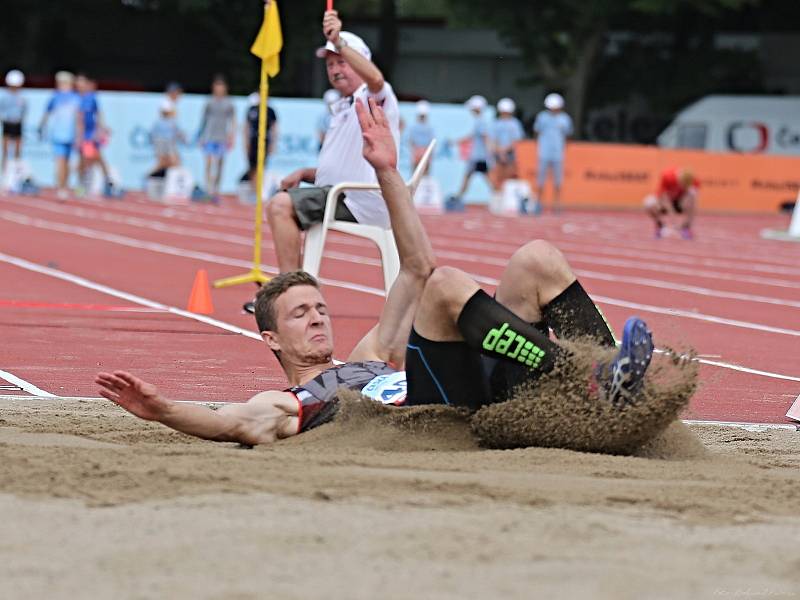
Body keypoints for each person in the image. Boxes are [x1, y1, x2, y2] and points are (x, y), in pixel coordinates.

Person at [96, 96, 655, 446]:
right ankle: (582, 373)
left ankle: (617, 381)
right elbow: (235, 424)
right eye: (299, 313)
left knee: (535, 256)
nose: (317, 317)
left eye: (319, 306)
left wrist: (386, 170)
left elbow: (414, 264)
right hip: (438, 415)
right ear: (270, 337)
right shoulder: (293, 400)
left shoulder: (369, 352)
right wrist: (162, 411)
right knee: (443, 287)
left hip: (484, 387)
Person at [265, 9, 401, 273]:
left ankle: (291, 290)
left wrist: (339, 42)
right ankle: (297, 287)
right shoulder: (341, 107)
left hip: (360, 199)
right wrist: (305, 173)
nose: (335, 70)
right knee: (283, 202)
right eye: (330, 64)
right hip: (343, 194)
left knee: (280, 206)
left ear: (361, 61)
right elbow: (339, 171)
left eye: (342, 62)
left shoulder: (374, 97)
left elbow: (375, 78)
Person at [38, 71, 81, 200]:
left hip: (71, 135)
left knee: (67, 163)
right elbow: (47, 113)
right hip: (58, 135)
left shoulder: (75, 98)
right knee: (60, 161)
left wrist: (79, 135)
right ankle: (61, 187)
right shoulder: (55, 97)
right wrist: (41, 126)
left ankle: (64, 185)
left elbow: (79, 119)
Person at [448, 95, 494, 210]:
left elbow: (485, 138)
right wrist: (456, 141)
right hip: (479, 156)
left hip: (478, 156)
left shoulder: (481, 122)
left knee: (469, 177)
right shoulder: (480, 121)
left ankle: (458, 198)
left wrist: (489, 153)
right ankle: (498, 197)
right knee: (482, 178)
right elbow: (472, 136)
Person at [196, 75, 235, 200]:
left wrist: (231, 135)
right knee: (208, 163)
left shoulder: (229, 103)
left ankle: (216, 189)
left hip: (222, 137)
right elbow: (204, 120)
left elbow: (233, 120)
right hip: (209, 136)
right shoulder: (209, 102)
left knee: (220, 164)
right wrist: (201, 136)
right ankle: (209, 188)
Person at [75, 74, 115, 197]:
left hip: (89, 136)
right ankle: (103, 183)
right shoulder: (81, 98)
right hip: (86, 135)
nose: (79, 86)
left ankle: (104, 183)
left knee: (92, 159)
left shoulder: (90, 98)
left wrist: (100, 129)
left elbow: (94, 116)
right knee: (87, 161)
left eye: (81, 84)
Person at [533, 93, 573, 213]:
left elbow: (567, 135)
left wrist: (563, 148)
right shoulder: (542, 117)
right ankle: (538, 204)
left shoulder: (565, 118)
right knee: (540, 180)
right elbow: (537, 132)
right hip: (544, 152)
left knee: (558, 181)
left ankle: (557, 205)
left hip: (557, 154)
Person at [644, 167, 699, 239]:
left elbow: (693, 198)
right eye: (682, 184)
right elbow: (662, 197)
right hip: (665, 202)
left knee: (692, 196)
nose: (683, 187)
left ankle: (686, 227)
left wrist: (687, 206)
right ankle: (660, 226)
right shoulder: (668, 176)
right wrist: (673, 218)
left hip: (680, 202)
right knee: (649, 203)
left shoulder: (694, 181)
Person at [242, 92, 277, 184]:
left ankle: (260, 186)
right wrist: (246, 142)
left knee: (262, 165)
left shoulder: (270, 111)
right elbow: (246, 127)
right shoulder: (252, 109)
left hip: (265, 140)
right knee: (252, 165)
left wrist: (273, 144)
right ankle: (253, 185)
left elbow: (274, 129)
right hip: (253, 140)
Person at [490, 97, 525, 190]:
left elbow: (516, 141)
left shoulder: (515, 124)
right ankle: (498, 196)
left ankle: (507, 196)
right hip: (498, 154)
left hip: (510, 153)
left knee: (510, 176)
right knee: (497, 176)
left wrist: (504, 151)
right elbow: (493, 140)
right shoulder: (496, 123)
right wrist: (500, 152)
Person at [148, 99, 185, 178]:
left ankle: (151, 177)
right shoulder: (167, 122)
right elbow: (179, 133)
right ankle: (149, 177)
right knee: (169, 163)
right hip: (165, 144)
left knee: (169, 163)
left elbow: (152, 136)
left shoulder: (163, 122)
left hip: (165, 144)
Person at [0, 69, 27, 174]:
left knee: (17, 152)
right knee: (5, 151)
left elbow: (23, 111)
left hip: (17, 124)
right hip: (7, 124)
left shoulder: (22, 97)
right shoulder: (4, 96)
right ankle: (4, 174)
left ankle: (15, 175)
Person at [407, 100, 435, 175]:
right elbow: (411, 141)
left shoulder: (428, 128)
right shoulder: (415, 127)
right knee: (416, 172)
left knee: (422, 172)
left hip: (423, 151)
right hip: (418, 150)